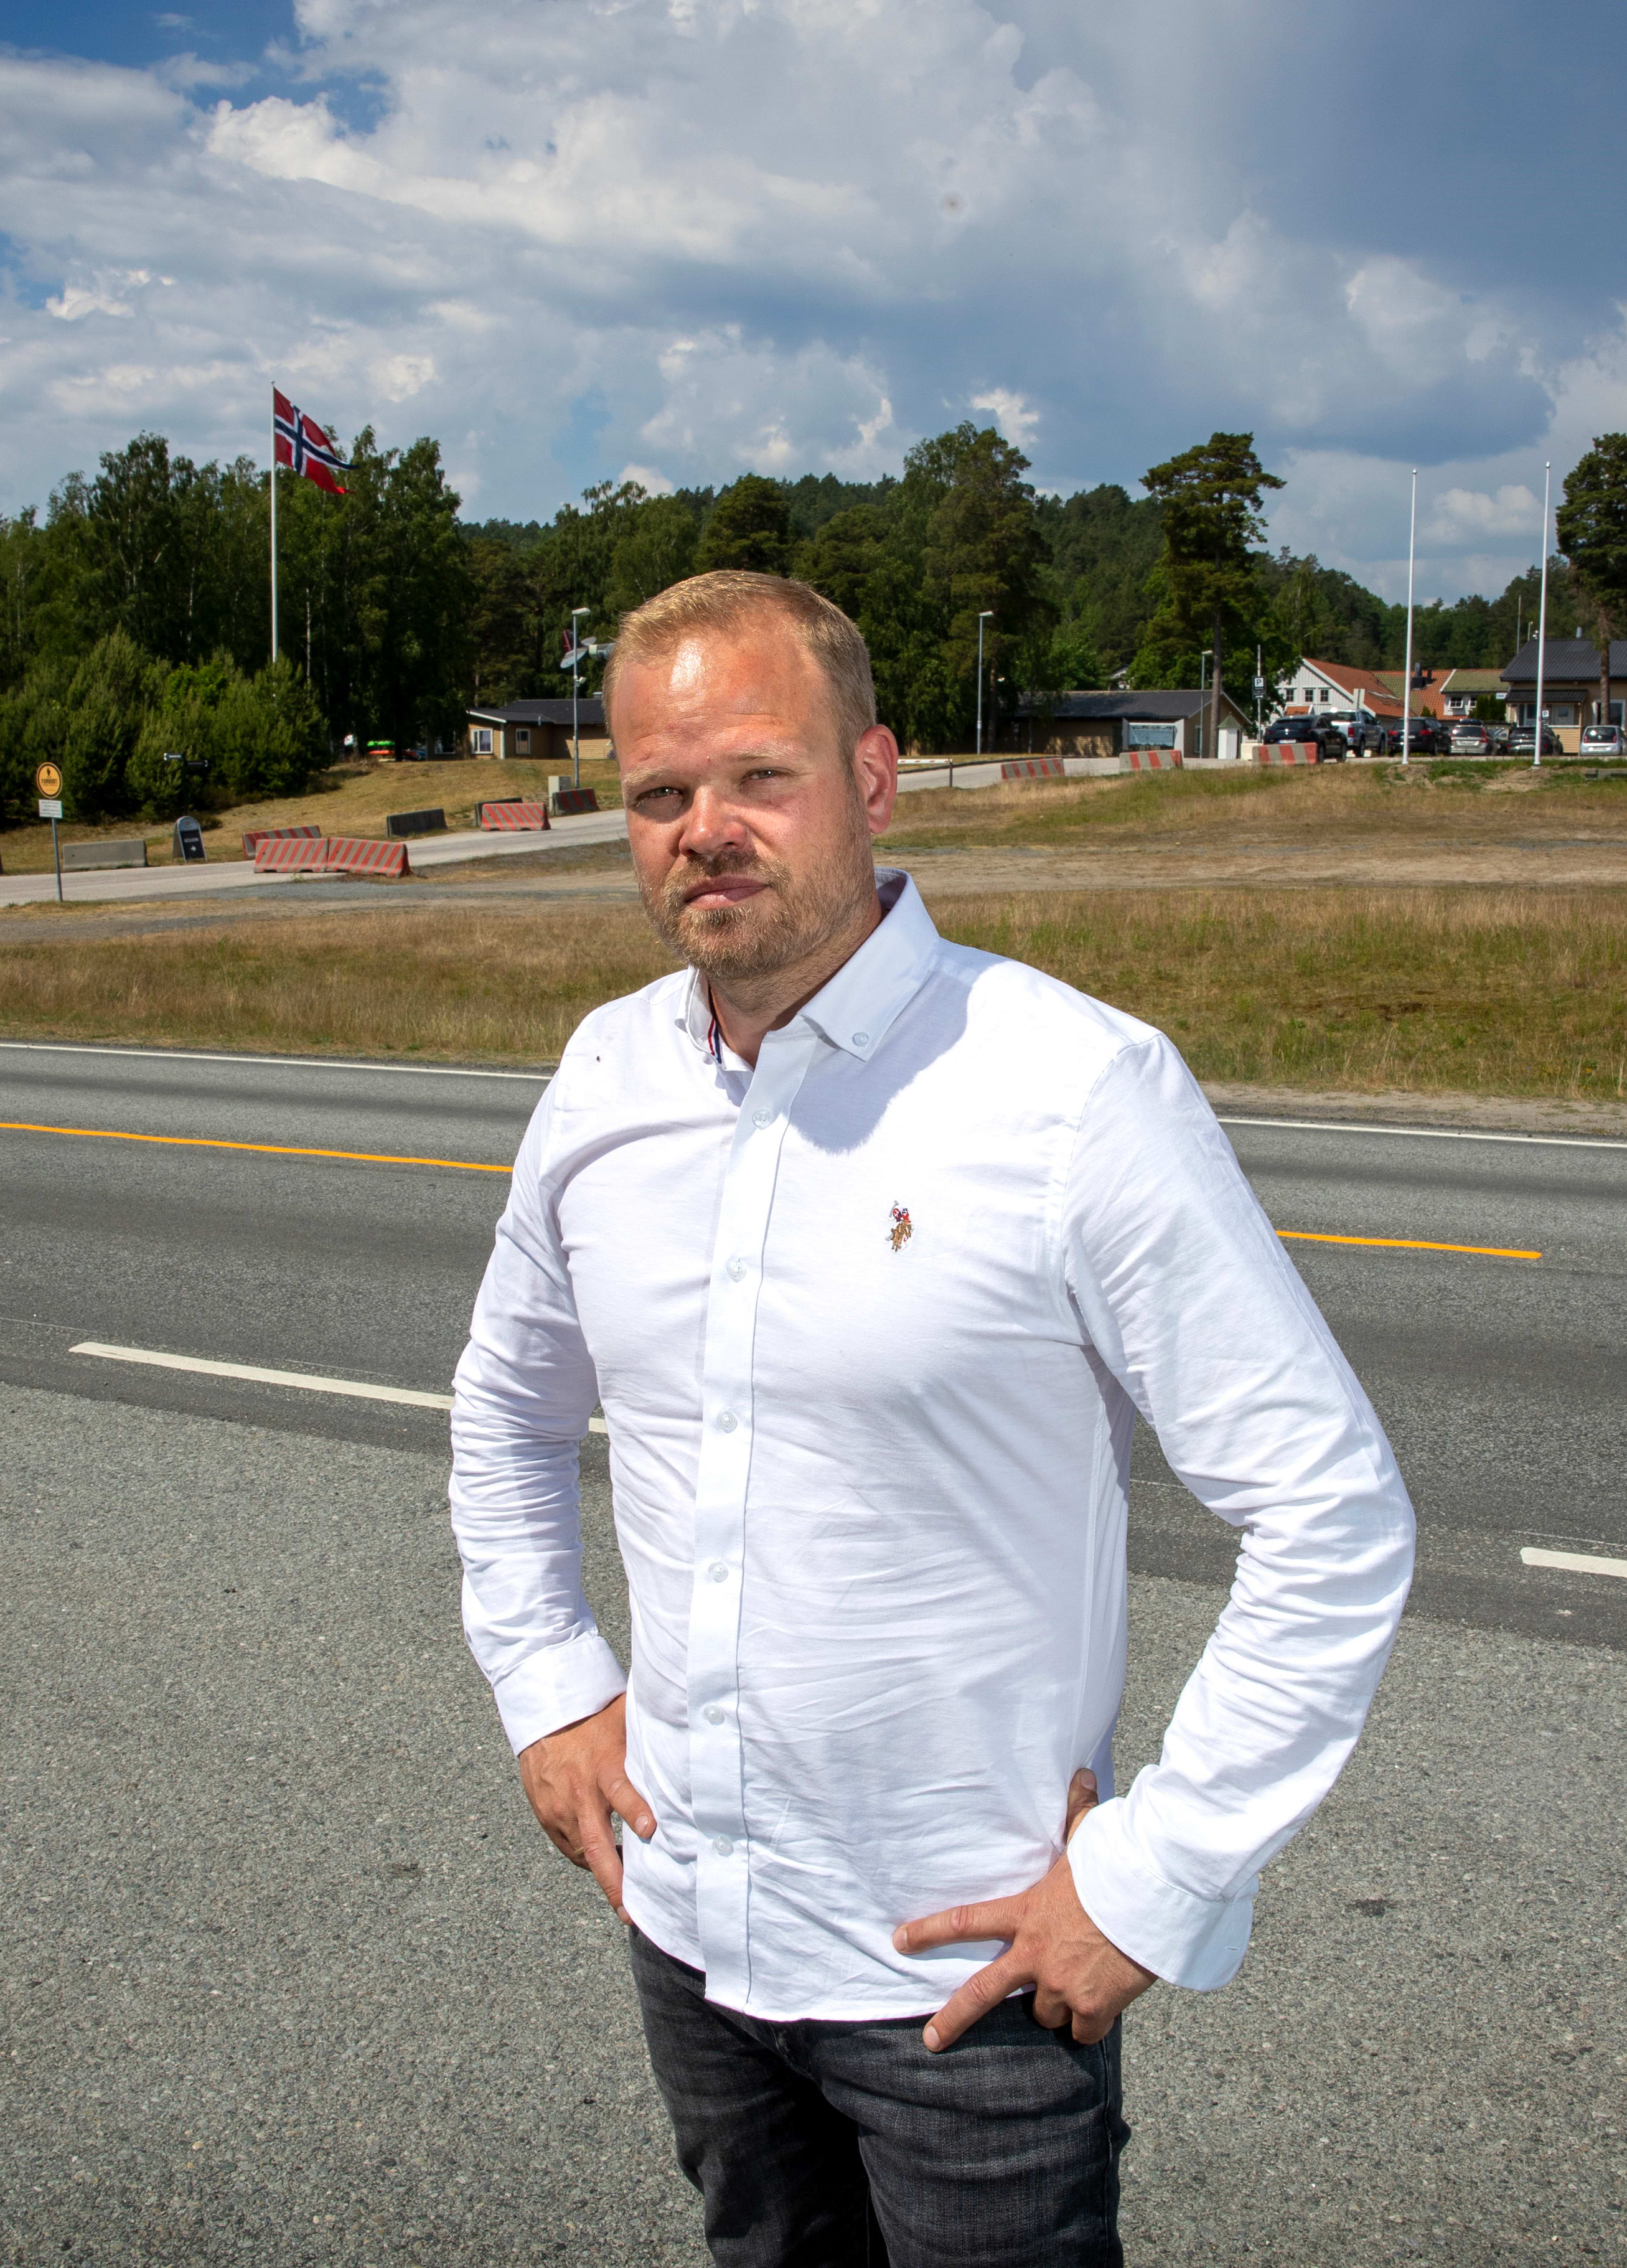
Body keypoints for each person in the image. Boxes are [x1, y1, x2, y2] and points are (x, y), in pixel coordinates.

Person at [449, 572, 1414, 2266]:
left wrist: (1156, 1877)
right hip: (692, 1942)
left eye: (760, 775)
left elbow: (1330, 1512)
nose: (706, 831)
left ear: (874, 779)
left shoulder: (1069, 1088)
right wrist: (549, 1687)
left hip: (966, 1985)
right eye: (660, 792)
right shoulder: (605, 1078)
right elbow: (507, 1410)